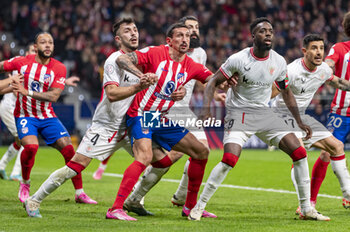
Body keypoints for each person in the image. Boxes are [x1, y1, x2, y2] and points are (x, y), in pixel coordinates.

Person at [22, 18, 181, 219]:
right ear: (118, 38)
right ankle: (34, 199)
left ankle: (134, 200)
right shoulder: (114, 60)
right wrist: (138, 86)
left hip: (131, 123)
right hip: (106, 126)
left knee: (162, 161)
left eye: (135, 30)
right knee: (75, 166)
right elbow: (113, 94)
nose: (133, 34)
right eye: (127, 31)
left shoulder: (141, 59)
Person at [187, 18, 329, 221]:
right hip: (239, 115)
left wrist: (299, 120)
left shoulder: (279, 61)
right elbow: (212, 82)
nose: (268, 34)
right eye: (263, 31)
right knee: (229, 160)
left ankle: (306, 208)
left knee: (299, 153)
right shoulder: (238, 59)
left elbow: (286, 91)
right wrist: (207, 109)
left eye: (271, 30)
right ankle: (199, 207)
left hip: (264, 114)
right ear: (253, 36)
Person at [110, 22, 219, 221]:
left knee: (201, 152)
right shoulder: (154, 52)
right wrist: (141, 76)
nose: (185, 39)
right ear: (169, 41)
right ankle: (115, 208)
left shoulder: (191, 65)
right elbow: (122, 59)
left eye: (187, 36)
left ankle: (189, 207)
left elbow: (213, 79)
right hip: (141, 113)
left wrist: (231, 77)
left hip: (159, 118)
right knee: (144, 156)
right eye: (180, 35)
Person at [0, 32, 96, 205]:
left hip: (47, 116)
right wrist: (9, 81)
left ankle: (79, 193)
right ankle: (25, 184)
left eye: (50, 42)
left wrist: (26, 91)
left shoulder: (59, 67)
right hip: (25, 115)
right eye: (43, 42)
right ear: (35, 47)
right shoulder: (21, 62)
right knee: (30, 147)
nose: (47, 45)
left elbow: (53, 96)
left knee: (69, 150)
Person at [270, 34, 350, 213]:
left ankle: (348, 194)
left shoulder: (323, 70)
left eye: (321, 48)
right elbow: (270, 93)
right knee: (300, 154)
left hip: (302, 118)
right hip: (282, 117)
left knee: (336, 146)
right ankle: (306, 205)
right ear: (304, 51)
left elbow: (340, 83)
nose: (319, 52)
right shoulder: (291, 71)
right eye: (314, 48)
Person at [0, 42, 79, 182]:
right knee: (27, 141)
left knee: (21, 141)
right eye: (31, 51)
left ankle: (2, 165)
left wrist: (64, 81)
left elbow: (43, 80)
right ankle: (16, 173)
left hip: (26, 109)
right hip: (11, 106)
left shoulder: (39, 68)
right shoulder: (20, 66)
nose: (33, 54)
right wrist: (11, 81)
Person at [304, 11, 350, 209]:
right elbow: (328, 66)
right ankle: (309, 201)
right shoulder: (340, 48)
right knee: (326, 153)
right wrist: (327, 68)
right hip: (342, 112)